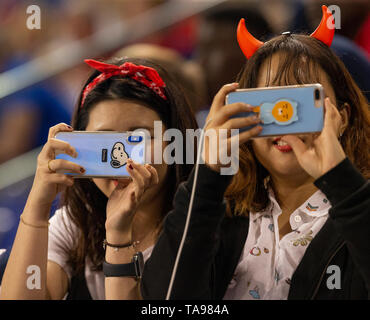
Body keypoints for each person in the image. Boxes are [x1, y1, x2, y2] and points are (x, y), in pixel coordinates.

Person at [140, 7, 370, 299]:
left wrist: (342, 181)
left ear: (343, 117)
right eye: (271, 103)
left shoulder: (361, 207)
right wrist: (207, 179)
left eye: (303, 100)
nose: (287, 120)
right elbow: (164, 302)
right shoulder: (217, 210)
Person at [0, 57, 198, 300]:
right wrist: (37, 208)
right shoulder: (74, 223)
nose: (123, 159)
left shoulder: (203, 224)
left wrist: (118, 238)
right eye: (105, 140)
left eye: (139, 137)